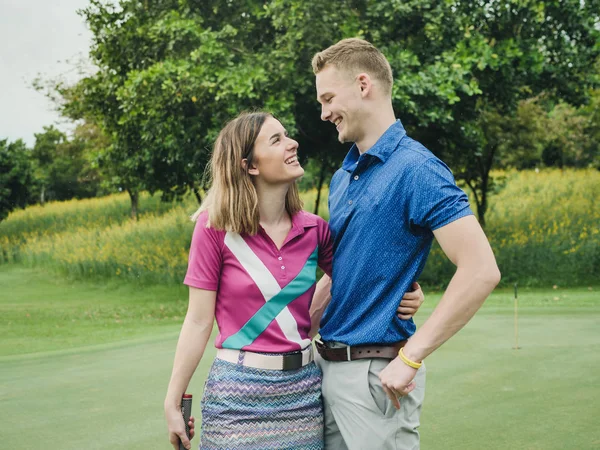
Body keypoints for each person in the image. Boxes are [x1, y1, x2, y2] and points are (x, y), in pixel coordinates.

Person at [164, 111, 425, 450]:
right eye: (277, 140)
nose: (292, 143)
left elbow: (356, 281)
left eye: (287, 135)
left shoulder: (315, 230)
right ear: (250, 166)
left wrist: (409, 293)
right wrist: (172, 400)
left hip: (303, 392)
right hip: (236, 397)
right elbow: (198, 321)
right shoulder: (213, 228)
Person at [310, 38, 501, 450]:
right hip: (326, 369)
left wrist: (411, 357)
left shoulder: (418, 168)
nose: (324, 113)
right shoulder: (343, 177)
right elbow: (344, 270)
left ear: (364, 85)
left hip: (377, 375)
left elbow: (481, 269)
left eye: (328, 98)